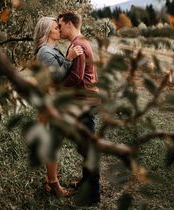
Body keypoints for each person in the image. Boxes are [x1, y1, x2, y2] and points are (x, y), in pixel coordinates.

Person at [33, 16, 83, 197]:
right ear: (47, 32)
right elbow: (58, 78)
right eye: (56, 27)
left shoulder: (52, 49)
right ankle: (54, 184)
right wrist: (69, 58)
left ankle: (49, 180)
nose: (59, 30)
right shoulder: (45, 52)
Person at [58, 11, 101, 207]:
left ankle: (93, 194)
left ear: (69, 23)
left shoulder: (78, 44)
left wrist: (57, 88)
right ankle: (86, 184)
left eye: (60, 25)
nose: (59, 28)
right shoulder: (81, 41)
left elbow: (76, 76)